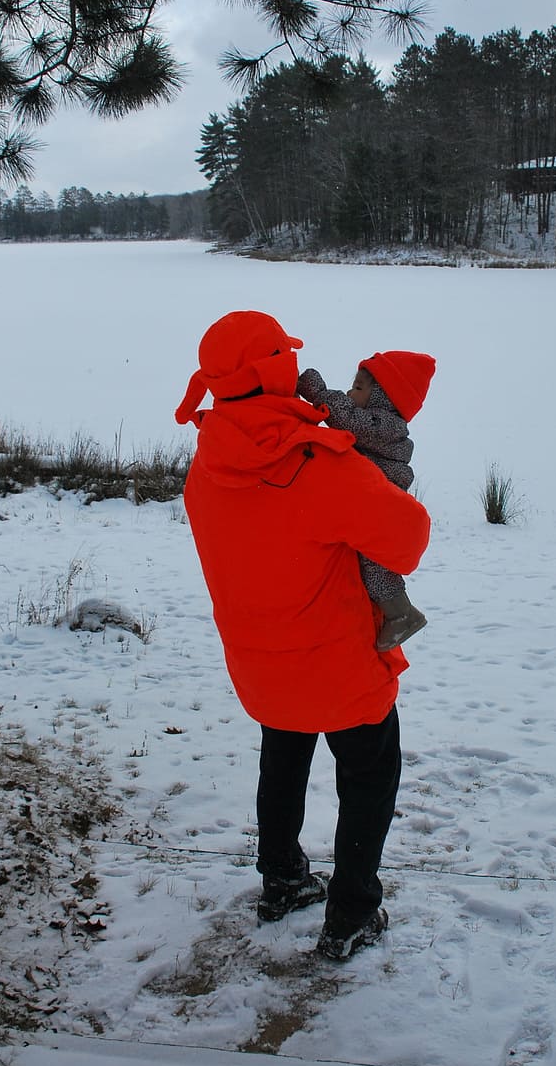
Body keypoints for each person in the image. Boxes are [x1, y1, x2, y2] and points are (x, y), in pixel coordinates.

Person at [175, 311, 430, 960]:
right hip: (341, 670)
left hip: (262, 670)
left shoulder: (205, 466)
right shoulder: (320, 463)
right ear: (273, 370)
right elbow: (408, 536)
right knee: (370, 774)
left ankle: (283, 880)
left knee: (283, 760)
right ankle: (351, 914)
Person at [296, 350, 436, 652]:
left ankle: (402, 614)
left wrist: (318, 393)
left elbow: (346, 419)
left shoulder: (385, 425)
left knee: (375, 565)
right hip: (372, 502)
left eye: (358, 388)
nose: (350, 392)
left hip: (382, 506)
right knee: (367, 564)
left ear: (384, 399)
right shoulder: (377, 425)